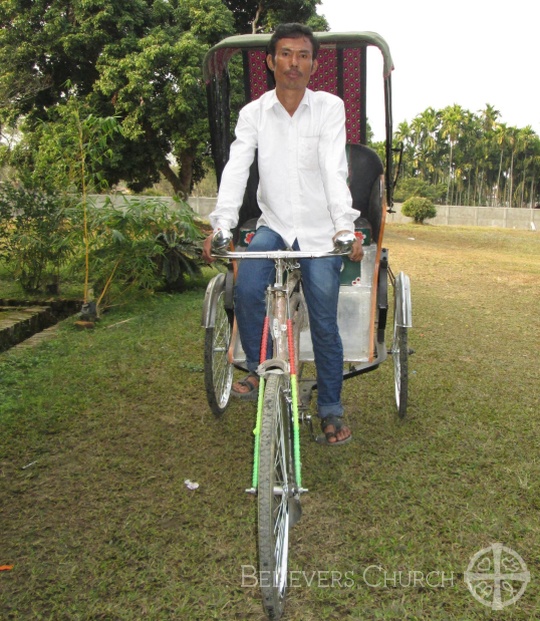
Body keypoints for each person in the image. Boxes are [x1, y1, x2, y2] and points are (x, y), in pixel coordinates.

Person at [203, 23, 363, 445]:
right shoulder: (253, 113)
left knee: (325, 321)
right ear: (271, 62)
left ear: (313, 64)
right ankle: (262, 373)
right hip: (273, 225)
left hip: (321, 232)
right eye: (286, 54)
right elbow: (237, 168)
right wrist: (221, 224)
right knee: (247, 288)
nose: (294, 63)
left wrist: (344, 228)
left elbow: (334, 168)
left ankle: (330, 406)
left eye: (303, 55)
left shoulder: (329, 107)